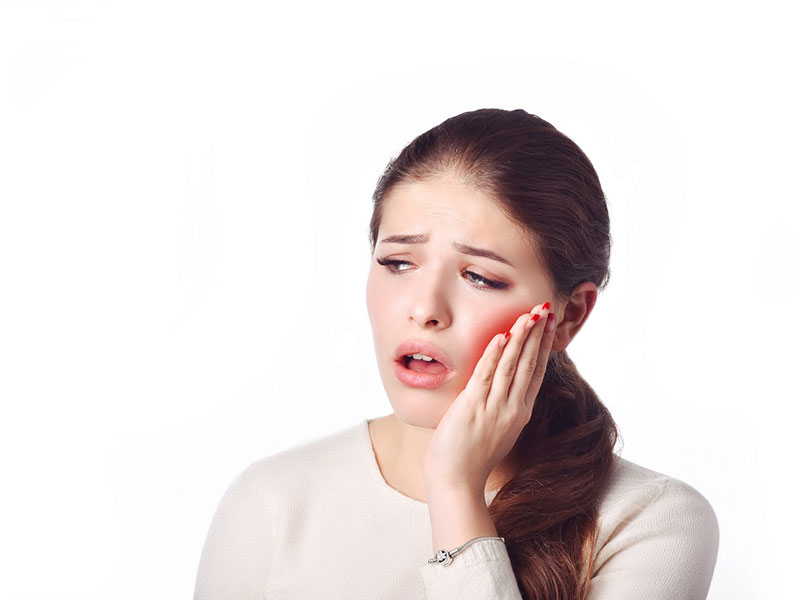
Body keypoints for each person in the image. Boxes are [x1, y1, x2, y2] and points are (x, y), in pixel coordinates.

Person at [193, 108, 719, 599]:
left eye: (480, 277)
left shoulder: (651, 520)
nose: (425, 309)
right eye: (398, 262)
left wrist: (455, 491)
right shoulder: (272, 502)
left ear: (569, 315)